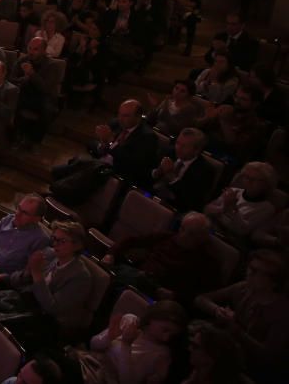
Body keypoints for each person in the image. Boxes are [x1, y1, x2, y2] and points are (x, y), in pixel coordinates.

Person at [0, 220, 93, 337]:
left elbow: (52, 307)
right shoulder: (51, 255)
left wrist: (36, 273)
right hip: (27, 302)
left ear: (77, 245)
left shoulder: (81, 277)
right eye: (54, 239)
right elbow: (25, 277)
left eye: (62, 241)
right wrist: (3, 277)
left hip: (46, 321)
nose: (55, 244)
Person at [194, 249, 289, 383]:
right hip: (228, 347)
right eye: (250, 268)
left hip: (250, 365)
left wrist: (236, 329)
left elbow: (268, 356)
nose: (249, 273)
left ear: (273, 282)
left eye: (256, 271)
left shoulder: (283, 313)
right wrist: (217, 310)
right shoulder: (242, 289)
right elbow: (201, 299)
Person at [102, 212, 220, 305]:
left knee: (115, 282)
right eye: (182, 229)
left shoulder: (205, 261)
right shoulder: (166, 237)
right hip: (139, 277)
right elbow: (131, 241)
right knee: (107, 277)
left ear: (201, 238)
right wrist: (110, 254)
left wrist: (175, 295)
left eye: (191, 234)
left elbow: (202, 294)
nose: (183, 235)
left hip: (158, 295)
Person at [73, 301, 186, 384]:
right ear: (152, 318)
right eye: (165, 330)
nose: (166, 338)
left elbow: (128, 381)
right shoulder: (131, 322)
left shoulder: (161, 353)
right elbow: (93, 345)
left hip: (101, 379)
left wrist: (126, 345)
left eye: (171, 335)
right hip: (89, 362)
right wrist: (109, 336)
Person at [204, 161, 279, 241]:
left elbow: (242, 231)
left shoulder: (267, 208)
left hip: (229, 239)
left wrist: (232, 208)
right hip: (211, 227)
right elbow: (207, 209)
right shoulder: (233, 191)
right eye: (247, 177)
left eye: (254, 179)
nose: (249, 182)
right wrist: (224, 207)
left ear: (266, 184)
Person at [150, 128, 215, 212]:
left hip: (177, 209)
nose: (178, 148)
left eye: (184, 146)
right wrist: (157, 172)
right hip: (153, 196)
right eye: (177, 143)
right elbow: (146, 172)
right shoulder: (169, 152)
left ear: (197, 150)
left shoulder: (205, 171)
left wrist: (172, 178)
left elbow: (191, 201)